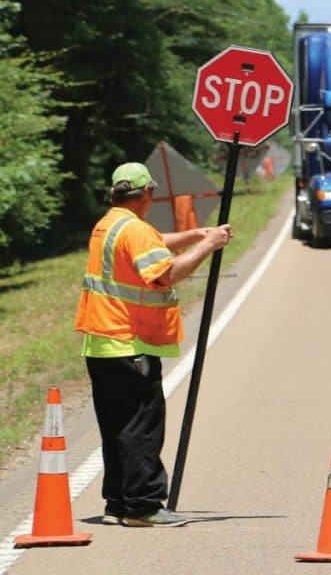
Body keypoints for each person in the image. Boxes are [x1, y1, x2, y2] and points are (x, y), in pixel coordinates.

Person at [74, 162, 233, 527]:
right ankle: (144, 506)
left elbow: (152, 244)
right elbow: (164, 273)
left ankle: (118, 504)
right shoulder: (135, 230)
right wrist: (207, 246)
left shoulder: (109, 224)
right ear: (147, 194)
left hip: (101, 344)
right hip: (129, 343)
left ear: (116, 193)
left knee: (116, 428)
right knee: (141, 427)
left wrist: (192, 234)